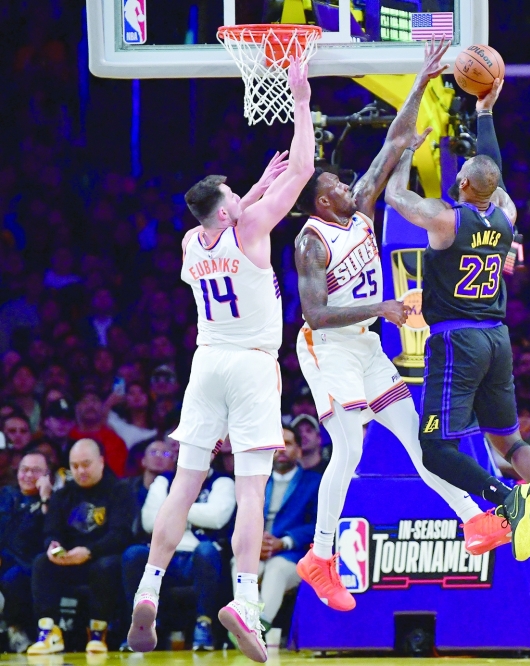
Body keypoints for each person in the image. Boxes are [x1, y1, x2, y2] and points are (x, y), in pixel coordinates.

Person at [291, 42, 503, 609]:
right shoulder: (311, 242)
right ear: (321, 203)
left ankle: (474, 520)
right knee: (348, 449)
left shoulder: (359, 208)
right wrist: (380, 309)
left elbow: (392, 144)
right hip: (327, 347)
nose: (348, 186)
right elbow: (314, 314)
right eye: (336, 186)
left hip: (364, 347)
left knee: (419, 440)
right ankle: (320, 556)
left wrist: (420, 82)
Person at [125, 59, 314, 663]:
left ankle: (148, 587)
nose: (242, 198)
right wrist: (301, 100)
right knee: (253, 491)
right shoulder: (251, 227)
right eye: (235, 196)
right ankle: (246, 603)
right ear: (230, 210)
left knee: (185, 483)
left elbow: (227, 219)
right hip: (253, 365)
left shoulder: (191, 242)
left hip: (206, 363)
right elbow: (303, 169)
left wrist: (251, 188)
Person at [386, 77, 530, 572]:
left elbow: (394, 194)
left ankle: (510, 499)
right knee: (510, 440)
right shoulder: (506, 215)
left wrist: (407, 150)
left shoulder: (445, 220)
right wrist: (484, 114)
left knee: (435, 450)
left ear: (461, 185)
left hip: (458, 340)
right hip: (498, 339)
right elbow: (491, 172)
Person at [28, 439, 134, 655]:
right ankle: (48, 631)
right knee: (41, 563)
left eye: (86, 464)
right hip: (69, 559)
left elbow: (121, 535)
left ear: (101, 462)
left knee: (106, 566)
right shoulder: (62, 494)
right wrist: (53, 546)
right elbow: (51, 531)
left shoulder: (120, 490)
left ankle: (98, 632)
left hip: (102, 557)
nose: (80, 471)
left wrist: (90, 552)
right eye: (74, 466)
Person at [123, 450, 236, 651]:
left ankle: (204, 626)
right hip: (164, 557)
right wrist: (194, 513)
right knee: (133, 554)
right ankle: (142, 627)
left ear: (212, 454)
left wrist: (174, 508)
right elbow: (149, 521)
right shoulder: (163, 481)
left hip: (199, 559)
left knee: (206, 551)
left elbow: (217, 518)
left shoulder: (222, 482)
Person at [235, 427, 320, 636]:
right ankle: (252, 625)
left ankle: (255, 628)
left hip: (293, 554)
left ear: (299, 450)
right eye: (275, 444)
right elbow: (240, 521)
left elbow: (319, 525)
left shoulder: (315, 482)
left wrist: (284, 542)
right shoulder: (254, 482)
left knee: (276, 568)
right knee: (239, 564)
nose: (280, 449)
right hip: (257, 550)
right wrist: (254, 544)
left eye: (287, 443)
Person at [0, 452, 51, 653]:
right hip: (4, 558)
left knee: (12, 578)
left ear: (47, 475)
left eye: (36, 471)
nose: (28, 475)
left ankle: (16, 629)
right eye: (24, 470)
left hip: (30, 564)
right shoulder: (5, 495)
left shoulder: (54, 501)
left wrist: (46, 498)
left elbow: (53, 532)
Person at [69, 388, 128, 477]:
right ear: (77, 407)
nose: (90, 405)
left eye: (95, 401)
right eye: (85, 401)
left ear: (103, 407)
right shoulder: (68, 437)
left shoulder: (115, 441)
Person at [125, 440, 177, 538]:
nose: (159, 456)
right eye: (153, 452)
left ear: (172, 463)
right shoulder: (127, 487)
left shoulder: (178, 490)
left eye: (165, 454)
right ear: (143, 461)